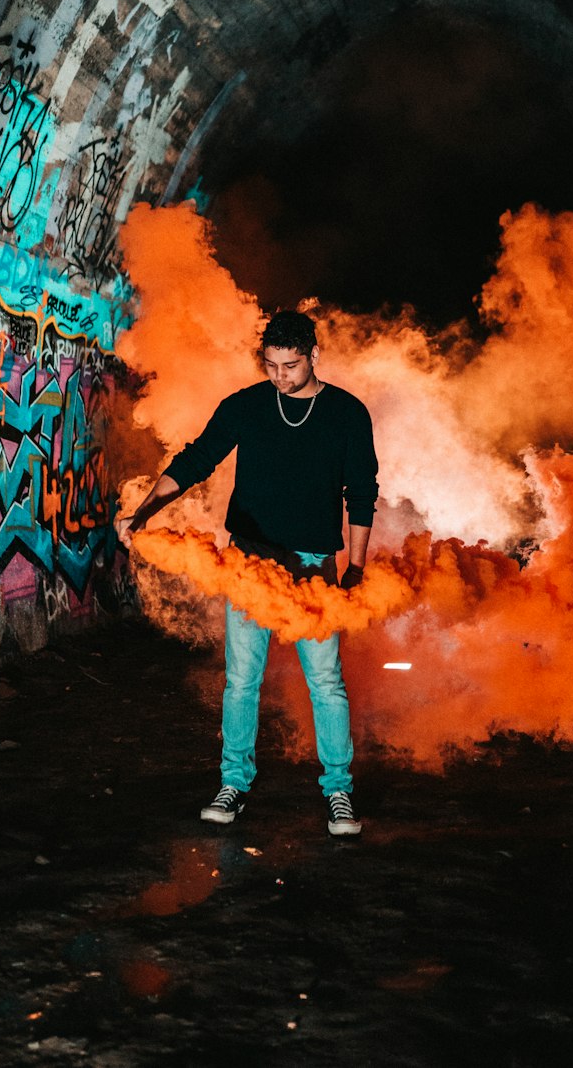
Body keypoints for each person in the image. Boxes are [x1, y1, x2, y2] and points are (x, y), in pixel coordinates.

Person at [120, 310, 378, 836]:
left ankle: (339, 792)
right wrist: (142, 512)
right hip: (249, 559)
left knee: (326, 681)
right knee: (241, 679)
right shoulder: (247, 405)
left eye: (290, 365)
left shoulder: (348, 413)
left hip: (312, 566)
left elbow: (362, 492)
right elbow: (196, 461)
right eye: (271, 365)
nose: (280, 377)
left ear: (314, 356)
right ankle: (233, 782)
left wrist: (356, 565)